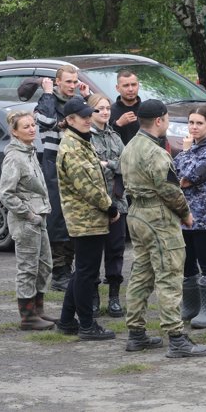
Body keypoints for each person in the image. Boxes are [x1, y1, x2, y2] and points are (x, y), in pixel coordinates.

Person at [121, 99, 206, 357]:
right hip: (158, 217)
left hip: (136, 214)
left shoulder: (130, 147)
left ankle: (136, 333)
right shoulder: (156, 153)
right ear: (160, 120)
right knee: (169, 275)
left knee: (142, 273)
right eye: (167, 117)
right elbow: (170, 190)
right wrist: (185, 214)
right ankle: (176, 337)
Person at [55, 96, 118, 341]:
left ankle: (67, 320)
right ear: (69, 120)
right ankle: (87, 325)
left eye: (88, 115)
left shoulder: (81, 141)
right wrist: (111, 208)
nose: (88, 119)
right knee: (86, 273)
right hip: (85, 220)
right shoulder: (71, 147)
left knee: (82, 271)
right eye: (83, 117)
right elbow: (88, 187)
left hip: (90, 218)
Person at [33, 65, 90, 291]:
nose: (72, 86)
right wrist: (47, 93)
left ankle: (71, 268)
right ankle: (59, 272)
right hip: (54, 165)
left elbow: (94, 121)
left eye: (75, 81)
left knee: (75, 218)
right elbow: (46, 122)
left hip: (76, 164)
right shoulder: (47, 102)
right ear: (57, 82)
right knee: (58, 220)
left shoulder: (78, 102)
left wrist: (88, 96)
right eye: (68, 81)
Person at [0, 111, 55, 330]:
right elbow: (6, 193)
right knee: (28, 267)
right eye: (26, 126)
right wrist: (28, 214)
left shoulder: (29, 152)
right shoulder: (14, 156)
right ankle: (28, 316)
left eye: (33, 125)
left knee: (44, 265)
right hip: (26, 220)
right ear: (15, 131)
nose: (32, 129)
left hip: (39, 217)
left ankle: (38, 310)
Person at [173, 106, 206, 329]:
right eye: (191, 122)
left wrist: (183, 154)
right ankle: (191, 306)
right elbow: (174, 176)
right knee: (187, 262)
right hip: (185, 214)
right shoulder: (192, 149)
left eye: (199, 123)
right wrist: (185, 159)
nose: (194, 127)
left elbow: (188, 176)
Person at [88, 94, 127, 318]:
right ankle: (93, 297)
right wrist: (111, 166)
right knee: (93, 252)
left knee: (116, 250)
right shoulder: (86, 138)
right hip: (95, 203)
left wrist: (109, 164)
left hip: (118, 201)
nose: (104, 112)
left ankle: (114, 297)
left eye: (106, 109)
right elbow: (91, 168)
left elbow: (127, 163)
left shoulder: (114, 136)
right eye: (99, 109)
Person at [110, 68, 141, 144]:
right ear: (117, 88)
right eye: (126, 86)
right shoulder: (109, 112)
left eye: (133, 85)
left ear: (138, 85)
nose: (130, 89)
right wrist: (117, 125)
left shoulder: (147, 109)